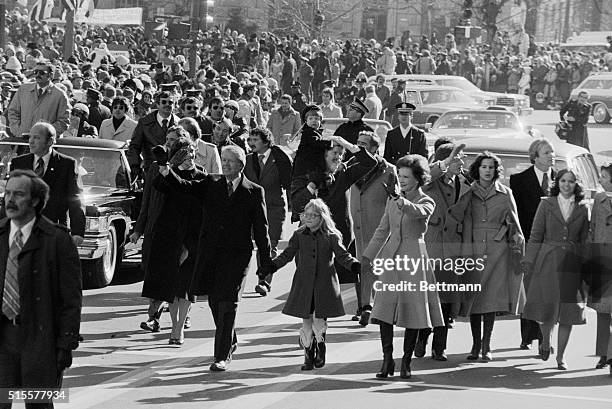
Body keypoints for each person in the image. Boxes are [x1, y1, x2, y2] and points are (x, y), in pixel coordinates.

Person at [155, 145, 273, 372]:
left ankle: (221, 356)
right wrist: (166, 168)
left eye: (230, 161)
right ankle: (230, 340)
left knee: (228, 302)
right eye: (224, 160)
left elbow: (261, 230)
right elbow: (184, 187)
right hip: (210, 254)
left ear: (241, 165)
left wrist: (265, 266)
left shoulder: (254, 191)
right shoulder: (211, 183)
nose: (226, 164)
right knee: (214, 301)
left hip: (237, 257)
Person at [0, 169, 81, 408]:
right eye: (7, 193)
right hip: (4, 338)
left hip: (40, 340)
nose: (10, 200)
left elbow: (71, 298)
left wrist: (66, 344)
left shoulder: (57, 240)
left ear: (35, 201)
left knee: (37, 403)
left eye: (19, 194)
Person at [362, 154, 444, 379]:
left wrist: (400, 200)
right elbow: (382, 230)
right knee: (384, 311)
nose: (402, 179)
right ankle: (387, 359)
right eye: (399, 175)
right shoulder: (392, 200)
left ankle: (406, 361)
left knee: (414, 312)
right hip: (391, 258)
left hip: (414, 258)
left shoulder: (426, 200)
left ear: (418, 178)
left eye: (406, 176)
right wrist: (367, 257)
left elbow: (418, 213)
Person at [258, 199, 360, 370]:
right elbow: (287, 255)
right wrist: (271, 266)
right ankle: (307, 355)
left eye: (314, 215)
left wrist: (355, 265)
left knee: (319, 320)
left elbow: (342, 256)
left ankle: (320, 347)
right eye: (307, 214)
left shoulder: (331, 236)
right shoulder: (299, 235)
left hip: (324, 283)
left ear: (322, 217)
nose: (309, 218)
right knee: (306, 321)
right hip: (304, 283)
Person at [445, 151, 525, 361]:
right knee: (474, 300)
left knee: (490, 301)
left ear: (496, 170)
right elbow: (455, 215)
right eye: (484, 167)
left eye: (491, 167)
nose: (488, 171)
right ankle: (475, 345)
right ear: (477, 169)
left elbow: (514, 224)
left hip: (498, 253)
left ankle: (486, 345)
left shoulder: (505, 192)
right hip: (472, 251)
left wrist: (516, 250)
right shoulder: (468, 192)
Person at [521, 169, 589, 370]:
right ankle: (545, 340)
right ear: (557, 182)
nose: (567, 185)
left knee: (569, 310)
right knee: (547, 306)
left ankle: (561, 356)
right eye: (563, 181)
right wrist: (529, 261)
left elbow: (585, 240)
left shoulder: (583, 208)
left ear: (577, 184)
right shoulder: (546, 204)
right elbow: (535, 235)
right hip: (548, 260)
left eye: (571, 181)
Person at [148, 138, 206, 345]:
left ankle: (179, 328)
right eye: (184, 152)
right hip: (170, 236)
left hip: (191, 237)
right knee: (173, 287)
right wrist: (170, 165)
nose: (189, 156)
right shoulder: (169, 174)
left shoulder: (202, 176)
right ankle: (174, 326)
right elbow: (158, 185)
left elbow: (195, 195)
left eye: (191, 152)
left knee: (186, 288)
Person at [418, 143, 471, 360]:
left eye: (461, 158)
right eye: (456, 159)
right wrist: (444, 164)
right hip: (432, 248)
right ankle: (422, 336)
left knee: (448, 302)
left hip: (453, 250)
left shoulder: (464, 182)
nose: (460, 162)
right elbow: (423, 175)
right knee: (429, 299)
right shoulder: (430, 181)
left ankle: (439, 346)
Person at [131, 127, 185, 333]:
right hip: (154, 228)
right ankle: (158, 314)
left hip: (175, 231)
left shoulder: (188, 168)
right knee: (152, 274)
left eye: (174, 141)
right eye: (168, 139)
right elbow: (147, 200)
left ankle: (156, 317)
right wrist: (138, 229)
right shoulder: (154, 166)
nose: (169, 144)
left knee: (170, 276)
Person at [510, 138, 556, 353]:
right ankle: (527, 335)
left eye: (552, 152)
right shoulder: (519, 181)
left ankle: (544, 338)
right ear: (535, 156)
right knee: (528, 290)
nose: (551, 156)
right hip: (529, 243)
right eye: (547, 152)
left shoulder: (562, 180)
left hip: (554, 246)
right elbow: (515, 215)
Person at [349, 131, 397, 327]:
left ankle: (383, 308)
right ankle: (366, 307)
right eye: (358, 143)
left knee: (380, 270)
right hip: (359, 228)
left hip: (380, 230)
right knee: (365, 267)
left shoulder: (388, 170)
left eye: (364, 144)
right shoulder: (352, 166)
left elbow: (396, 201)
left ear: (374, 148)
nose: (359, 147)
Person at [9, 122, 85, 242]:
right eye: (30, 137)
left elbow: (75, 199)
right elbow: (9, 198)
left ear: (50, 142)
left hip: (54, 231)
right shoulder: (19, 163)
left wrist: (77, 233)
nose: (31, 141)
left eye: (36, 137)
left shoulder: (67, 165)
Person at [244, 126, 292, 296]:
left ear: (266, 141)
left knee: (269, 244)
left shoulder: (279, 158)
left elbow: (289, 182)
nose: (251, 143)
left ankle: (264, 281)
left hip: (273, 207)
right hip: (250, 208)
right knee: (245, 245)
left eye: (256, 139)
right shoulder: (248, 159)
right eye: (250, 139)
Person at [588, 163, 612, 374]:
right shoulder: (598, 199)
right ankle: (603, 354)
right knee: (603, 313)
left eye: (604, 176)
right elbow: (593, 228)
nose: (601, 180)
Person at [8, 61, 70, 138]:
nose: (37, 75)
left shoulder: (60, 95)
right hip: (23, 140)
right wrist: (17, 131)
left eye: (42, 72)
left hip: (45, 144)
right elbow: (13, 112)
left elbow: (63, 121)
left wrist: (47, 135)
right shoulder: (23, 89)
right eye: (35, 72)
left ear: (51, 75)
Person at [127, 91, 180, 176]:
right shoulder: (144, 122)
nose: (167, 105)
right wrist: (134, 165)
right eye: (164, 102)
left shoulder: (179, 123)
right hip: (151, 170)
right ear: (157, 105)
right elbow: (134, 146)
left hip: (174, 172)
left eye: (170, 102)